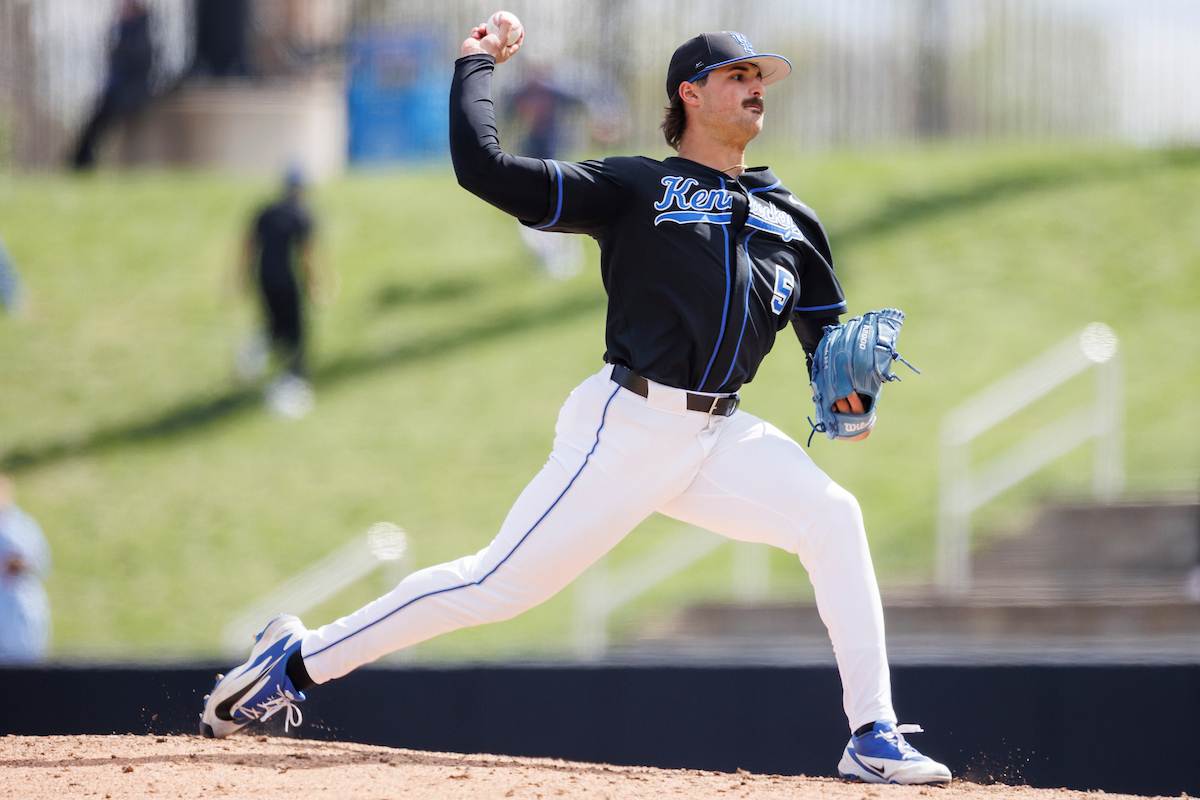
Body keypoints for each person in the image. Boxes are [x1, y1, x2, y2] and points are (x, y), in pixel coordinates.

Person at [200, 21, 952, 786]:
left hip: (720, 436)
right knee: (495, 587)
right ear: (690, 93)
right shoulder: (636, 187)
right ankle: (294, 663)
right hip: (628, 426)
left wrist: (851, 397)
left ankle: (873, 733)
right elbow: (485, 170)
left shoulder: (791, 219)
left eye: (762, 76)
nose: (757, 86)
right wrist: (475, 64)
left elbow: (829, 346)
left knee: (835, 517)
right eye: (738, 75)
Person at [237, 168, 320, 418]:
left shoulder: (266, 212)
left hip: (264, 277)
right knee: (297, 333)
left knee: (273, 327)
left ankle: (252, 361)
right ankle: (292, 383)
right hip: (287, 279)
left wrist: (242, 278)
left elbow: (249, 246)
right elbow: (306, 255)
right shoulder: (301, 215)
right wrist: (313, 285)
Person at [503, 63, 588, 279]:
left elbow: (579, 102)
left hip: (553, 155)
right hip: (530, 154)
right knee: (532, 205)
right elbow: (508, 113)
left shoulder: (553, 91)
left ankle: (562, 253)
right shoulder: (522, 93)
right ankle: (546, 252)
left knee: (555, 205)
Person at [70, 0, 154, 170]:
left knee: (102, 119)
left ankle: (81, 161)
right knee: (95, 120)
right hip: (117, 92)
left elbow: (136, 67)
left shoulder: (140, 36)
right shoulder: (121, 33)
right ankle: (80, 161)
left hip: (131, 93)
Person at [0, 474, 52, 664]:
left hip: (19, 606)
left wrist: (19, 564)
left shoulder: (21, 525)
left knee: (24, 664)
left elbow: (42, 561)